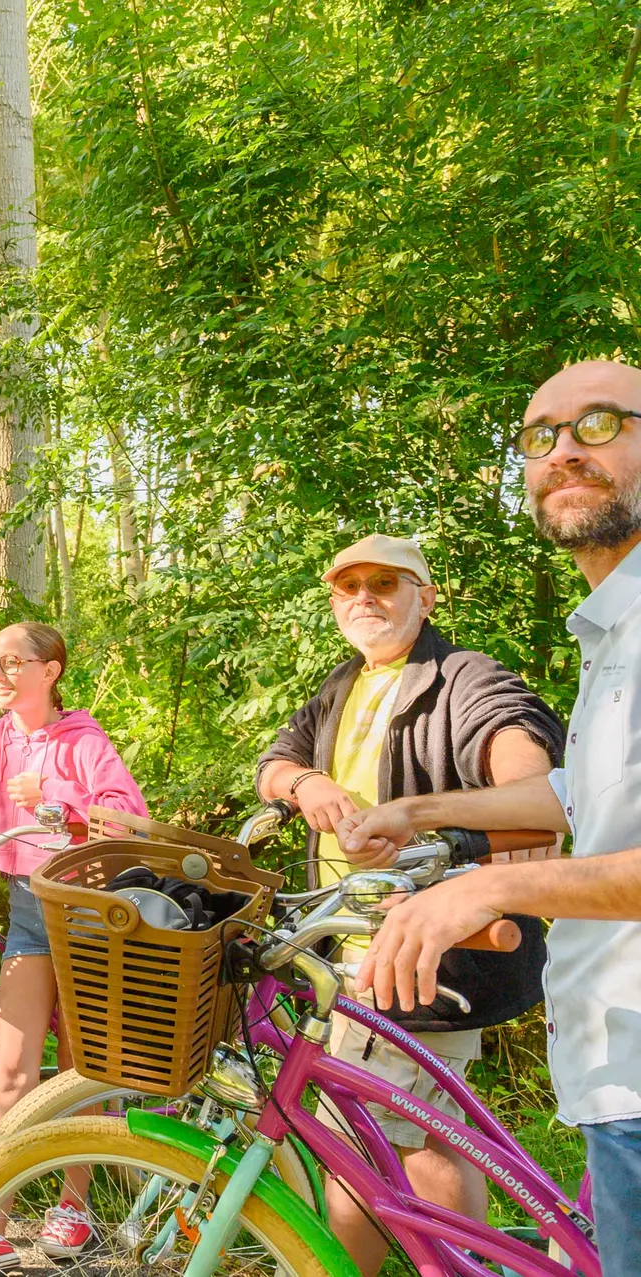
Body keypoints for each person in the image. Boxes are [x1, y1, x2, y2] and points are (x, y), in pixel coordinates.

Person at [338, 359, 641, 1277]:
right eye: (540, 435)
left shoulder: (464, 673)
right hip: (607, 1064)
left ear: (424, 595)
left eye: (598, 424)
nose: (563, 452)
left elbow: (518, 756)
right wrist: (413, 811)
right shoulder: (608, 632)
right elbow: (573, 803)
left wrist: (486, 882)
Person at [255, 533, 562, 1276]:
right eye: (348, 585)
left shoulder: (462, 677)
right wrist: (305, 785)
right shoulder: (343, 684)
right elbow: (274, 760)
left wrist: (424, 816)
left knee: (374, 1147)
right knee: (424, 1134)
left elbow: (530, 778)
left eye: (385, 583)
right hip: (348, 948)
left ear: (425, 596)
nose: (364, 597)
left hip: (431, 951)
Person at [0, 622, 146, 1269]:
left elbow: (126, 808)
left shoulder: (83, 738)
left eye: (11, 662)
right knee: (13, 1070)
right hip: (29, 906)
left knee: (83, 1065)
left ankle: (72, 1209)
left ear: (49, 670)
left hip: (86, 906)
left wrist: (56, 794)